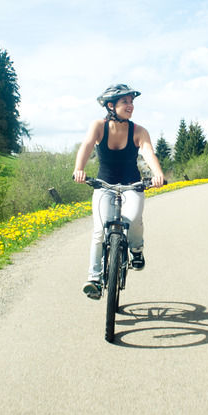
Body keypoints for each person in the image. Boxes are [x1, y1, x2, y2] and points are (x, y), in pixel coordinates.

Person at [73, 83, 166, 299]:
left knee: (133, 219)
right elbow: (86, 146)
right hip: (104, 184)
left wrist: (158, 174)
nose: (130, 105)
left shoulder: (139, 131)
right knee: (99, 230)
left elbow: (148, 153)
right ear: (110, 105)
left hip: (132, 184)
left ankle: (136, 249)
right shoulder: (98, 126)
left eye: (132, 101)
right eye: (125, 101)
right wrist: (79, 169)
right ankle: (94, 279)